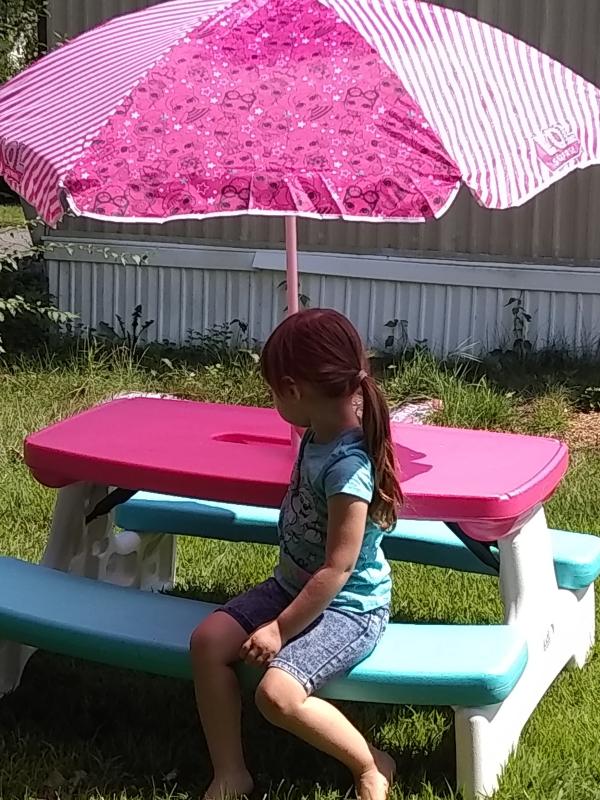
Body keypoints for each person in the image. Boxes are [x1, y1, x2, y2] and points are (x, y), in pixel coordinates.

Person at [190, 308, 402, 800]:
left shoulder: (348, 468)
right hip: (292, 586)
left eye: (271, 393)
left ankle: (372, 763)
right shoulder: (317, 434)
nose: (272, 403)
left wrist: (279, 629)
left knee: (276, 695)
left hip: (350, 607)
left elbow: (340, 567)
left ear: (293, 390)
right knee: (207, 642)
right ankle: (230, 773)